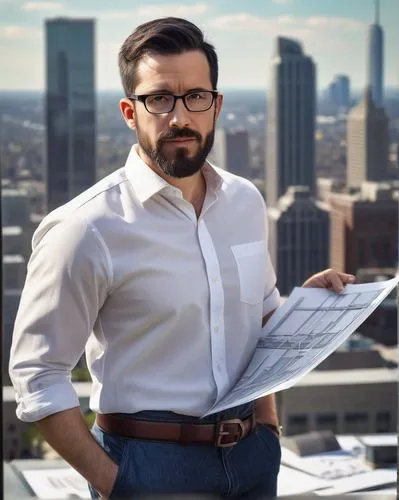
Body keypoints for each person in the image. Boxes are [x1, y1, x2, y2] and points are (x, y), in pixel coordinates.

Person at [9, 17, 355, 500]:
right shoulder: (85, 228)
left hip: (252, 457)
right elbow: (37, 372)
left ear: (216, 106)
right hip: (149, 464)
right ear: (130, 112)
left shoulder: (246, 202)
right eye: (159, 99)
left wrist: (303, 314)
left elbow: (257, 317)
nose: (180, 117)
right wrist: (118, 483)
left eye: (196, 96)